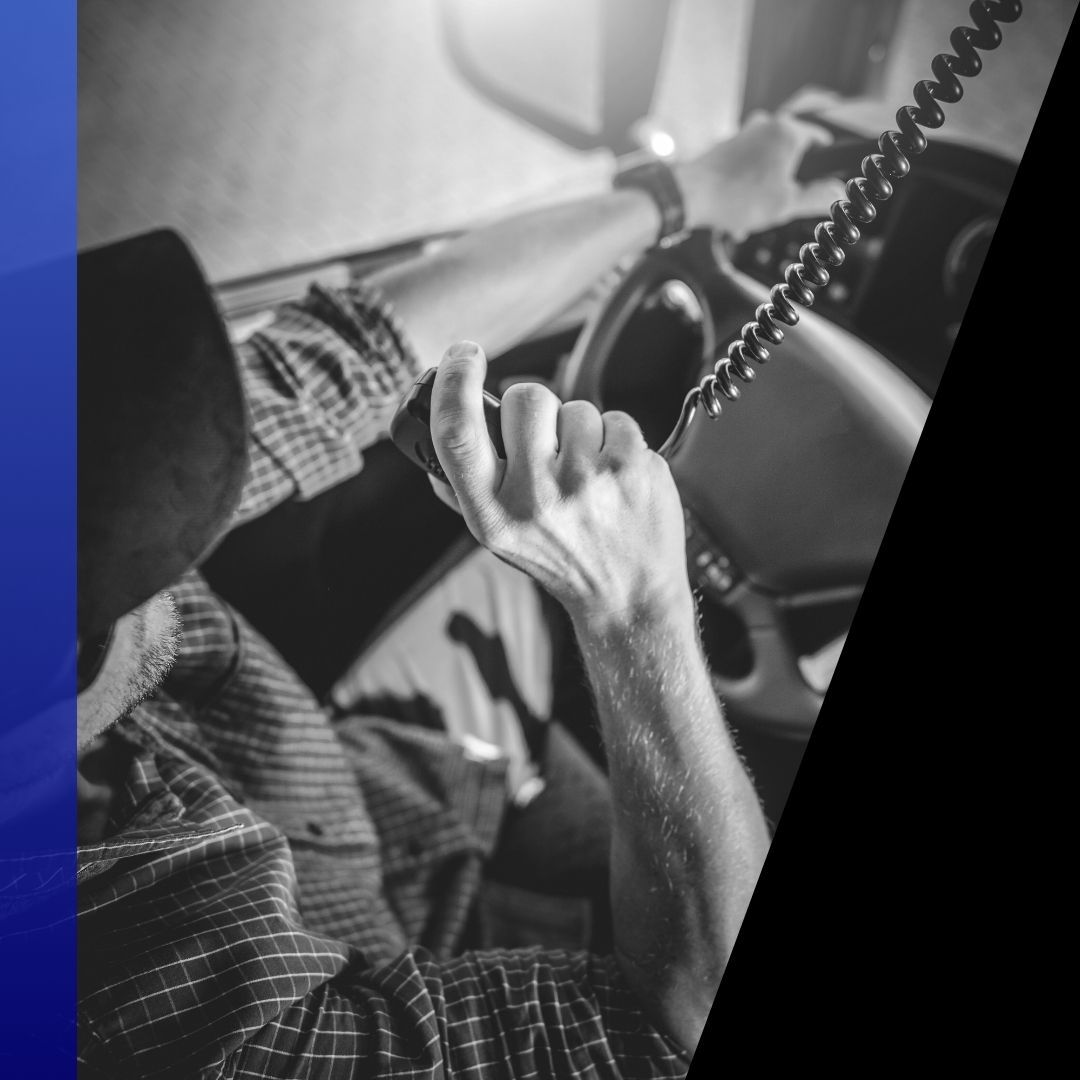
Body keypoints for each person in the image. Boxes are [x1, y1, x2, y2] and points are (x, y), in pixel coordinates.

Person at [70, 113, 843, 1077]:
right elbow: (685, 1020)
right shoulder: (163, 1032)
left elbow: (340, 358)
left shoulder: (58, 563)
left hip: (420, 786)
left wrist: (684, 193)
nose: (176, 551)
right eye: (147, 572)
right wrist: (634, 607)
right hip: (439, 972)